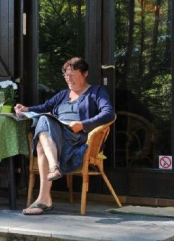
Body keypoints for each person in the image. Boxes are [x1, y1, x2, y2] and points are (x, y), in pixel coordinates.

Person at [14, 57, 114, 215]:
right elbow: (44, 107)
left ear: (85, 74)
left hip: (76, 137)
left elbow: (108, 114)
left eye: (73, 75)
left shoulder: (96, 92)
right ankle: (46, 191)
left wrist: (82, 124)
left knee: (43, 126)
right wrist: (26, 109)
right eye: (66, 76)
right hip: (56, 136)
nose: (69, 79)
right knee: (43, 126)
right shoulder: (63, 94)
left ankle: (45, 194)